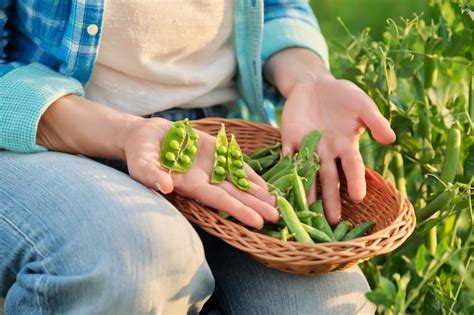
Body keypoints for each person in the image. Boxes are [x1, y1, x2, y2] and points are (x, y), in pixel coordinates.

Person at [0, 1, 395, 314]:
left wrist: (310, 79)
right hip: (48, 132)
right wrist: (123, 132)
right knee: (138, 262)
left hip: (208, 144)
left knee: (325, 305)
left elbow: (275, 5)